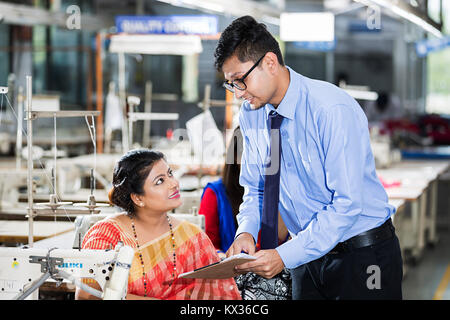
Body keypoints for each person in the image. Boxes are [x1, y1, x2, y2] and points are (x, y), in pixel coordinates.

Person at [214, 16, 403, 300]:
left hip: (362, 256)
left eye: (241, 80)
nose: (239, 93)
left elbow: (347, 204)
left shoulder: (330, 109)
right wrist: (246, 233)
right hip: (304, 254)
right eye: (231, 85)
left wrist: (285, 255)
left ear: (269, 62)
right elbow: (256, 188)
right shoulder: (251, 116)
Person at [75, 149, 241, 300]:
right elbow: (86, 295)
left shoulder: (192, 237)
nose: (173, 183)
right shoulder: (106, 235)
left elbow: (222, 295)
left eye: (170, 174)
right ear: (138, 198)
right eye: (160, 181)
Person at [199, 126, 289, 256]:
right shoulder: (215, 194)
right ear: (235, 157)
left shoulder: (284, 196)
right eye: (251, 156)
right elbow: (206, 247)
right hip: (230, 272)